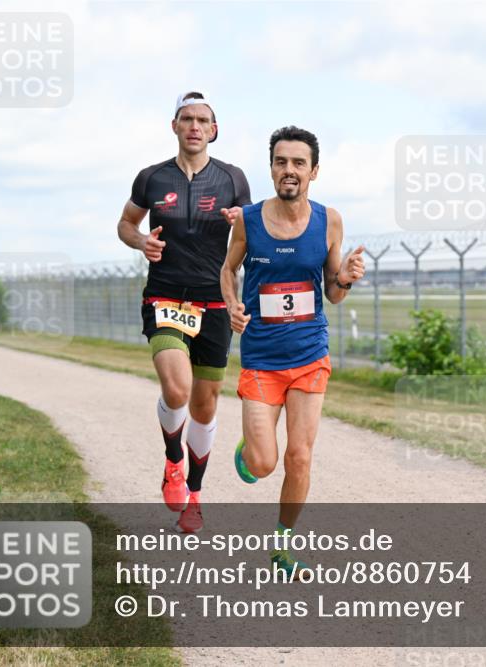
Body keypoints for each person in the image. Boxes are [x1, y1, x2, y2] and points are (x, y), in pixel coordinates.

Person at [219, 126, 365, 574]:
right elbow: (228, 270)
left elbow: (333, 294)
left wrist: (345, 278)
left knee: (299, 455)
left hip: (308, 356)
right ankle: (250, 449)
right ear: (272, 168)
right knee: (263, 464)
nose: (289, 170)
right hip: (262, 357)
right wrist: (232, 308)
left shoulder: (329, 221)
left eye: (299, 163)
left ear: (313, 171)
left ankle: (283, 544)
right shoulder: (247, 219)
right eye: (281, 162)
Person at [117, 92, 251, 533]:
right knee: (176, 390)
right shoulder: (152, 178)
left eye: (203, 120)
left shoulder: (233, 178)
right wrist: (141, 242)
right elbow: (125, 224)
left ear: (214, 130)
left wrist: (240, 222)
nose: (195, 126)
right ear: (174, 126)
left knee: (205, 405)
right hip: (166, 296)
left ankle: (194, 494)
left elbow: (249, 239)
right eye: (187, 118)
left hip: (214, 301)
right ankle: (173, 459)